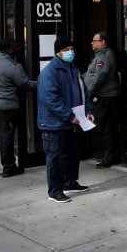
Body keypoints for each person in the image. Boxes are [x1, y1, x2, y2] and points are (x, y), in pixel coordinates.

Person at [37, 36, 94, 203]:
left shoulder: (73, 69)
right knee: (55, 158)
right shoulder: (50, 72)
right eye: (65, 50)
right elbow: (51, 100)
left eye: (71, 48)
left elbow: (84, 92)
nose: (70, 52)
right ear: (58, 52)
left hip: (72, 122)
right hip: (54, 124)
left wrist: (88, 110)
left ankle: (70, 183)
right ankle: (55, 191)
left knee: (71, 155)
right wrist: (70, 117)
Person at [0, 38, 37, 179]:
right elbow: (26, 84)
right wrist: (42, 81)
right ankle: (9, 167)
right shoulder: (13, 66)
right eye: (15, 47)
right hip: (7, 107)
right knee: (7, 137)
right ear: (9, 49)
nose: (18, 49)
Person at [84, 31, 121, 168]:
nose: (92, 43)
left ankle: (109, 157)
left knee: (107, 128)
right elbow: (91, 74)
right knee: (107, 127)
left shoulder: (104, 56)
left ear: (103, 42)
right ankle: (111, 155)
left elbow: (100, 76)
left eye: (95, 40)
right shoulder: (99, 55)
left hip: (106, 97)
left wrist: (89, 91)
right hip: (104, 96)